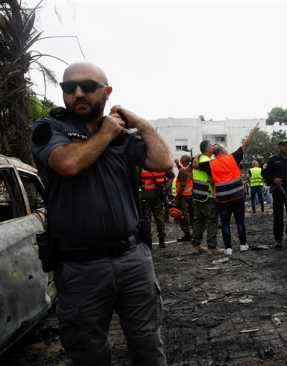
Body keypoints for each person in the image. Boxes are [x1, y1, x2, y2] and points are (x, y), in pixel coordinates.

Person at [31, 62, 170, 365]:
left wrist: (142, 125)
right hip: (80, 266)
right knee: (88, 352)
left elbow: (161, 163)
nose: (78, 93)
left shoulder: (122, 137)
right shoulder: (50, 130)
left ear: (106, 92)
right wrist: (107, 132)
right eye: (69, 88)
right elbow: (69, 164)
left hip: (133, 259)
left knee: (148, 342)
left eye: (88, 87)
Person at [201, 126, 259, 256]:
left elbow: (193, 164)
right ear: (223, 150)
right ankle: (243, 245)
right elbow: (246, 145)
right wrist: (252, 132)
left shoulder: (210, 164)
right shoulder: (233, 157)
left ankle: (228, 248)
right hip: (237, 197)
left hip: (222, 199)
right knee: (240, 221)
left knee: (225, 223)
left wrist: (207, 153)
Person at [262, 140, 287, 248]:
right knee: (278, 216)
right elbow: (264, 173)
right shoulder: (273, 160)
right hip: (278, 191)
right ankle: (278, 239)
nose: (286, 148)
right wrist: (273, 179)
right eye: (283, 146)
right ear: (279, 147)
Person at [191, 140, 221, 254]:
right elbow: (214, 177)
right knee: (212, 221)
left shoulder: (198, 159)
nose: (213, 147)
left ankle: (196, 245)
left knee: (199, 221)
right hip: (207, 195)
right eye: (210, 146)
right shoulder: (208, 161)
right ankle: (212, 247)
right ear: (206, 149)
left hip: (197, 194)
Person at [139, 169, 168, 248]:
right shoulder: (160, 167)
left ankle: (148, 242)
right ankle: (162, 241)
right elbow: (169, 176)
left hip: (146, 195)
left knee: (147, 219)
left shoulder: (142, 168)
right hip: (157, 195)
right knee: (159, 218)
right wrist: (165, 188)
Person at [175, 155, 193, 242]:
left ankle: (187, 234)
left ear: (183, 161)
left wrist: (177, 198)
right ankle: (193, 234)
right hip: (191, 195)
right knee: (192, 215)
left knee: (183, 216)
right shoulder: (192, 170)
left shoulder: (183, 171)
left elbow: (182, 185)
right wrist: (177, 164)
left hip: (183, 196)